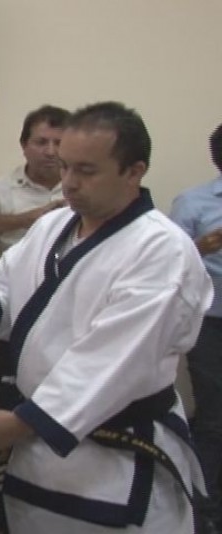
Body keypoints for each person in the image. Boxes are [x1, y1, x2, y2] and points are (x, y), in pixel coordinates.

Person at [0, 101, 211, 532]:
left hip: (114, 455)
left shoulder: (162, 249)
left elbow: (117, 357)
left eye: (87, 171)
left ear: (134, 171)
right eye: (65, 167)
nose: (69, 183)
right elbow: (11, 295)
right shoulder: (52, 226)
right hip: (37, 453)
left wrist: (24, 422)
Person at [170, 121, 222, 533]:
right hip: (211, 324)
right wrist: (202, 246)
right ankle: (207, 512)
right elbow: (170, 263)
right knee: (214, 416)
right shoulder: (193, 202)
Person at [0, 105, 70, 266]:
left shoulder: (86, 189)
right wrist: (24, 220)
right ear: (24, 145)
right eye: (41, 142)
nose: (50, 152)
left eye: (59, 143)